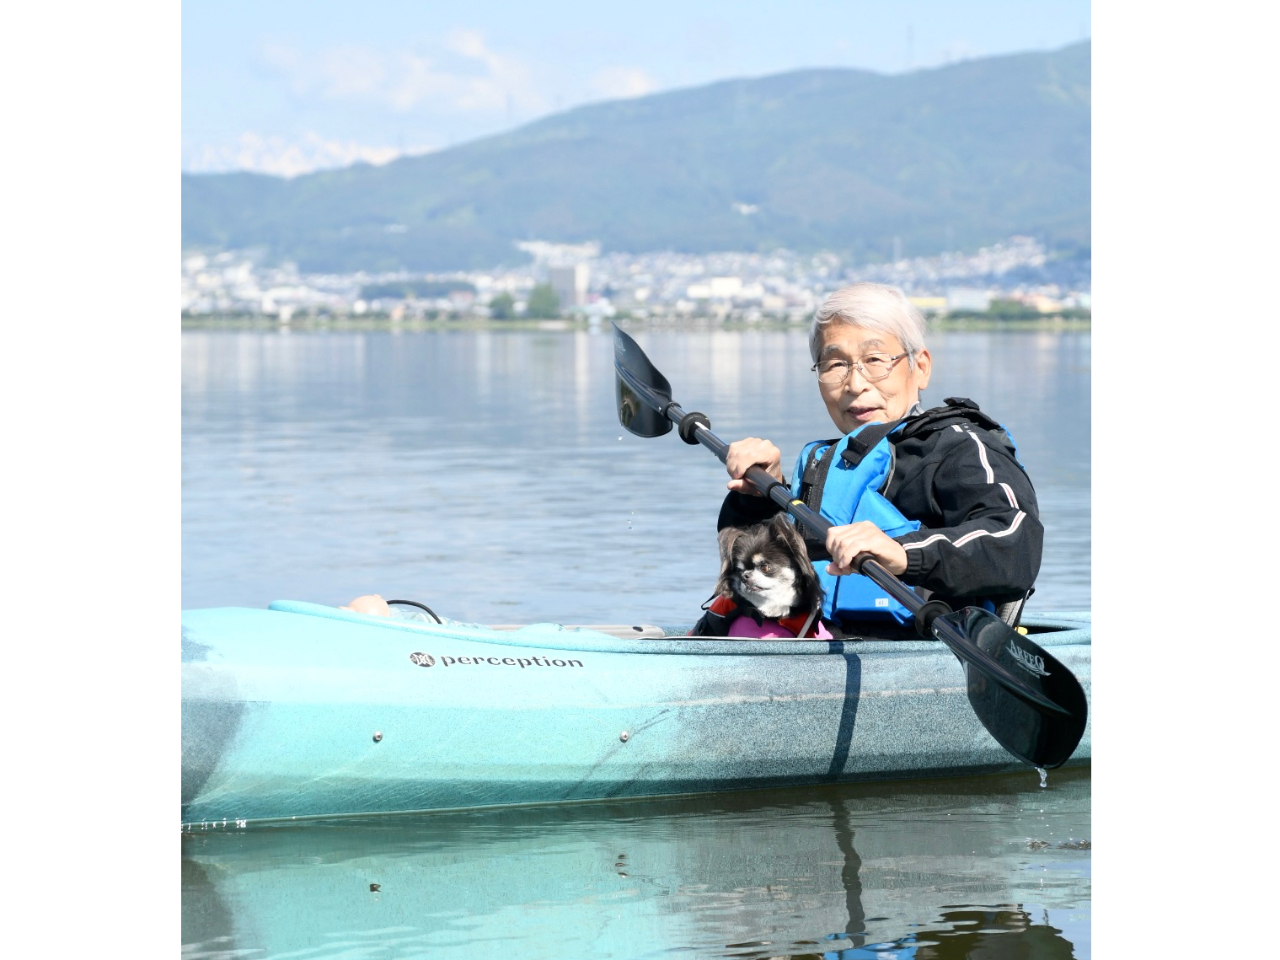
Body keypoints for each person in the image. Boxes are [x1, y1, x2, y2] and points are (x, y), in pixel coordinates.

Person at [718, 281, 1042, 635]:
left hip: (926, 652)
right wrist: (758, 497)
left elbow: (1016, 539)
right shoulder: (826, 464)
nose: (855, 383)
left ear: (920, 367)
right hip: (820, 646)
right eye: (835, 364)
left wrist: (902, 554)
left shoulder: (959, 448)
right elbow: (761, 577)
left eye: (875, 360)